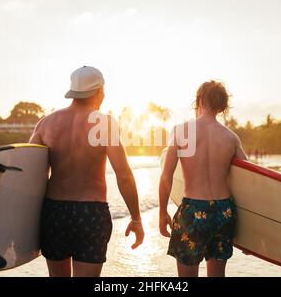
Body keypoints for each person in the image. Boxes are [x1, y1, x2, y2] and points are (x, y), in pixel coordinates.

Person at [29, 66, 144, 277]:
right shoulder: (105, 124)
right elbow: (124, 175)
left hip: (54, 212)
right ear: (99, 91)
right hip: (91, 212)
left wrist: (26, 220)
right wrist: (136, 218)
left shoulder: (45, 124)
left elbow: (30, 175)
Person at [159, 80, 248, 277]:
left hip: (193, 211)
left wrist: (162, 211)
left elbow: (166, 177)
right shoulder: (231, 138)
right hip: (224, 211)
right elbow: (249, 179)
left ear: (198, 100)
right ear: (222, 106)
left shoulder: (181, 131)